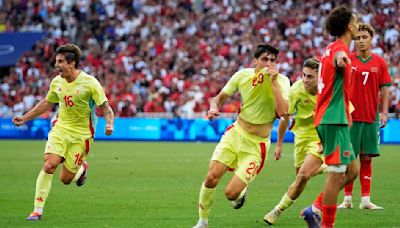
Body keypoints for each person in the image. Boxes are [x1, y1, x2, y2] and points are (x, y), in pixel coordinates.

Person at [12, 44, 115, 221]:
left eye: (60, 61)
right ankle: (37, 210)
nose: (56, 65)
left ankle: (81, 169)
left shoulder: (90, 83)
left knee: (66, 179)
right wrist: (25, 118)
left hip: (82, 136)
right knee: (49, 165)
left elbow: (106, 107)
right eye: (56, 61)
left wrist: (109, 124)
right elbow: (46, 102)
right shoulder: (57, 82)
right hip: (60, 129)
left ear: (72, 63)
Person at [193, 43, 290, 228]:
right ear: (256, 61)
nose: (269, 64)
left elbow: (283, 112)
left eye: (272, 60)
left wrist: (274, 82)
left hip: (256, 145)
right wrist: (214, 107)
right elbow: (219, 97)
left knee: (231, 194)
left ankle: (241, 191)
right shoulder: (242, 75)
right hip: (236, 134)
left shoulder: (283, 81)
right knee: (211, 177)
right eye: (264, 59)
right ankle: (202, 221)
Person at [300, 6, 359, 228]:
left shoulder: (331, 48)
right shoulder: (337, 50)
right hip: (332, 120)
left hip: (337, 119)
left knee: (352, 171)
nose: (357, 25)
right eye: (355, 22)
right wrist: (343, 58)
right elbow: (339, 56)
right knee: (335, 175)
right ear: (348, 26)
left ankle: (313, 208)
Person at [264, 58, 325, 225]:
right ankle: (327, 167)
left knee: (303, 175)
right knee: (300, 179)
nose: (305, 79)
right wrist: (279, 145)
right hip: (301, 137)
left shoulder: (329, 89)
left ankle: (277, 210)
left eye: (310, 77)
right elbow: (285, 117)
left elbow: (346, 113)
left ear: (320, 77)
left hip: (320, 137)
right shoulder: (296, 89)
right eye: (304, 75)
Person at [337, 23, 391, 210]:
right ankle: (347, 199)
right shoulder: (347, 60)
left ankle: (366, 200)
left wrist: (384, 112)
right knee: (349, 158)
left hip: (370, 117)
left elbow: (385, 90)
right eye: (357, 38)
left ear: (371, 39)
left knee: (367, 158)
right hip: (350, 118)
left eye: (364, 37)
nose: (360, 41)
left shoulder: (379, 62)